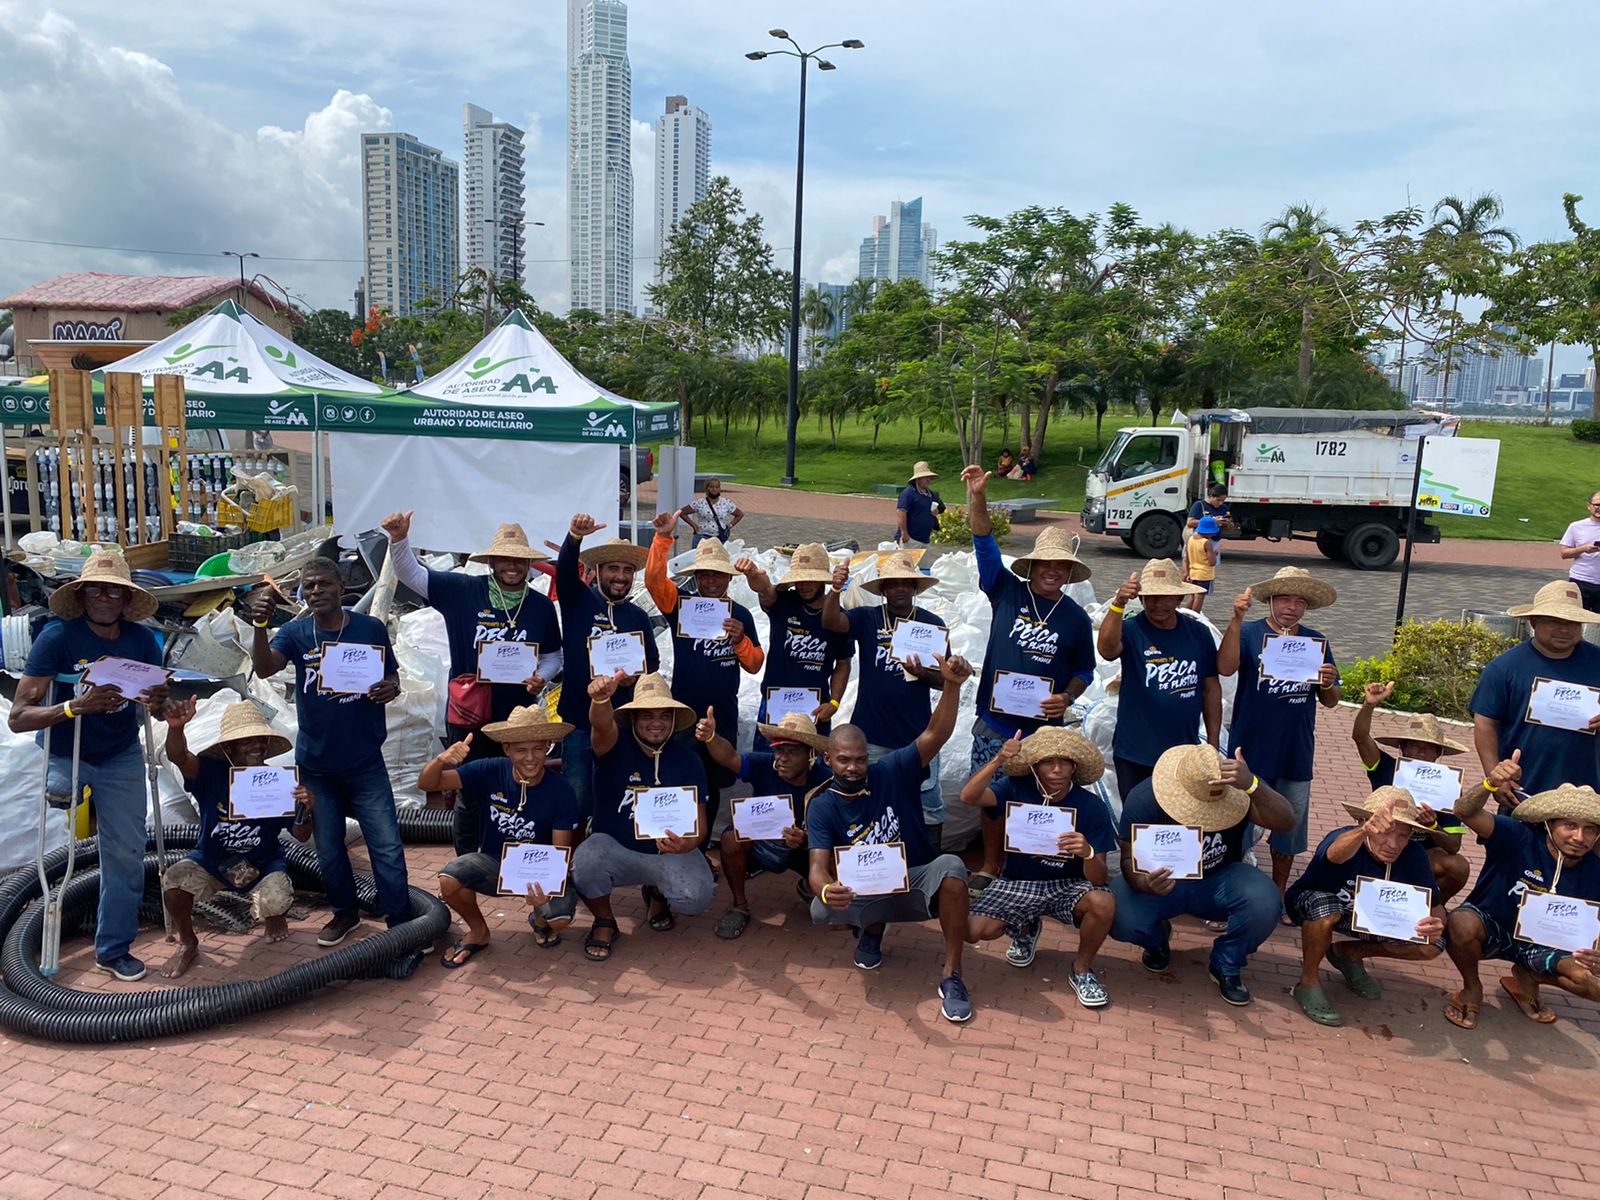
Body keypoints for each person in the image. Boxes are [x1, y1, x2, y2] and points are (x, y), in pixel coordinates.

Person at [10, 551, 171, 982]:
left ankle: (113, 948)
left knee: (127, 852)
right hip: (68, 751)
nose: (105, 597)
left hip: (120, 755)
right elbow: (18, 717)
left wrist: (164, 705)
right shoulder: (57, 637)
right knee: (60, 801)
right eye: (96, 589)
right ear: (81, 596)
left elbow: (154, 703)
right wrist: (73, 708)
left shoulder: (140, 640)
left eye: (114, 590)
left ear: (125, 598)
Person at [246, 557, 410, 946]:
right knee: (329, 848)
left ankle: (403, 923)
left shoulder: (370, 628)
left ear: (340, 587)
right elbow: (266, 668)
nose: (315, 591)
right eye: (308, 586)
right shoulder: (295, 633)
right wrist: (259, 626)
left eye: (323, 583)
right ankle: (345, 915)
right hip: (316, 765)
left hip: (365, 761)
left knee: (385, 844)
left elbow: (391, 675)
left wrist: (392, 688)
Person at [808, 654, 977, 1023]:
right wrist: (826, 890)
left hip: (914, 879)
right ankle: (871, 931)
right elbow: (817, 869)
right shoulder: (822, 806)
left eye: (859, 759)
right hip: (866, 891)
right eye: (844, 760)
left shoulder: (893, 771)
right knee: (820, 907)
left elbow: (936, 734)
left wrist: (950, 684)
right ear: (828, 761)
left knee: (952, 867)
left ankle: (952, 975)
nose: (853, 768)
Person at [382, 512, 562, 855]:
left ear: (529, 565)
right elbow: (412, 575)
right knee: (469, 791)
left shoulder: (540, 606)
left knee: (516, 785)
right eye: (505, 559)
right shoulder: (463, 590)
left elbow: (554, 655)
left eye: (520, 560)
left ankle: (509, 856)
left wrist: (543, 676)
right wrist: (399, 540)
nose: (512, 566)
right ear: (491, 560)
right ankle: (465, 862)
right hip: (469, 715)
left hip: (518, 717)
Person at [962, 466, 1096, 891]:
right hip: (994, 723)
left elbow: (1085, 671)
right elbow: (984, 541)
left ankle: (1028, 873)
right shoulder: (1006, 590)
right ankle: (990, 866)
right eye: (1045, 564)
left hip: (1044, 736)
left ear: (1069, 571)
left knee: (1034, 803)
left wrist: (1068, 698)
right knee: (989, 800)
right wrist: (978, 496)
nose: (1052, 570)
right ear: (1032, 565)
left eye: (1061, 565)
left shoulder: (1074, 618)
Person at [1111, 744, 1295, 1006]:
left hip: (1219, 879)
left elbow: (1286, 821)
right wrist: (1143, 882)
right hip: (1164, 883)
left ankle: (1226, 963)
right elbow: (1128, 858)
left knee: (1265, 902)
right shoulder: (1144, 797)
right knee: (1119, 914)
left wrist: (1253, 784)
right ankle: (1156, 940)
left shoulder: (1239, 786)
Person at [960, 727, 1117, 1007]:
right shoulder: (1014, 787)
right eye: (1048, 762)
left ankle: (1081, 969)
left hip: (1067, 886)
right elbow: (969, 797)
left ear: (1074, 767)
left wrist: (1088, 852)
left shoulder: (1091, 807)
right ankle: (1026, 927)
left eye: (1065, 762)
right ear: (1034, 766)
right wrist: (998, 760)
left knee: (1103, 903)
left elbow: (1099, 877)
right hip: (1019, 881)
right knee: (972, 931)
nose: (1057, 769)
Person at [157, 699, 314, 978]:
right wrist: (176, 729)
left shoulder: (278, 782)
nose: (256, 746)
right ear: (229, 748)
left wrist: (306, 808)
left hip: (263, 864)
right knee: (173, 881)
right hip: (212, 861)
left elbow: (301, 836)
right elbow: (179, 757)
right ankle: (187, 942)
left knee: (276, 899)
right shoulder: (210, 771)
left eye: (260, 739)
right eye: (246, 740)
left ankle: (273, 917)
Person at [1444, 759, 1600, 1029]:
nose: (1579, 837)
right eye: (1570, 826)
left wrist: (1596, 955)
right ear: (1549, 824)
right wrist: (1490, 783)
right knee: (1460, 922)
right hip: (1493, 928)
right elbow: (1464, 811)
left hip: (1544, 945)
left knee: (1595, 983)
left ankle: (1529, 975)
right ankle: (1472, 987)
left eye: (1590, 829)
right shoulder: (1518, 836)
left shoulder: (1595, 870)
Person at [419, 706, 580, 966]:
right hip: (496, 863)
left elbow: (559, 854)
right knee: (450, 880)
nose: (531, 758)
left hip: (539, 868)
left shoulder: (562, 791)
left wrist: (546, 893)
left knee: (559, 918)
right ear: (507, 749)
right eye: (521, 750)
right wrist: (441, 760)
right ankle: (479, 932)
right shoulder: (490, 770)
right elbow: (428, 784)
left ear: (549, 746)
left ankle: (539, 920)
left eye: (538, 749)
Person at [571, 672, 714, 961]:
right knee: (585, 864)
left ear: (674, 719)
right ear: (633, 718)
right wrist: (600, 700)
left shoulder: (689, 759)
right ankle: (604, 921)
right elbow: (600, 726)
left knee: (697, 895)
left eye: (664, 715)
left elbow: (700, 824)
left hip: (666, 854)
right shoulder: (613, 745)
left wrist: (686, 845)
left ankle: (657, 894)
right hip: (615, 849)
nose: (656, 723)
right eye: (647, 715)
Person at [1217, 566, 1340, 894]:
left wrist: (1328, 682)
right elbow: (1225, 667)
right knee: (1236, 823)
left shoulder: (1316, 642)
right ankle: (1229, 892)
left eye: (1299, 601)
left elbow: (1330, 700)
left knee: (1290, 828)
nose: (1291, 606)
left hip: (1295, 751)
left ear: (1307, 607)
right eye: (1284, 598)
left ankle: (1278, 892)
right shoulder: (1250, 633)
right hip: (1251, 748)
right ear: (1270, 601)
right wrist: (1236, 619)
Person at [1283, 788, 1445, 1027]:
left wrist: (1436, 922)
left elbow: (1435, 904)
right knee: (1325, 909)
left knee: (1434, 944)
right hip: (1314, 904)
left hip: (1370, 916)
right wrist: (1364, 831)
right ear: (1363, 821)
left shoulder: (1414, 855)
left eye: (1402, 835)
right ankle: (1308, 983)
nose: (1393, 844)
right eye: (1385, 832)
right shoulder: (1345, 838)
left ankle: (1350, 953)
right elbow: (1335, 855)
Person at [644, 524, 764, 842]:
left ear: (728, 578)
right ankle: (674, 844)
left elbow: (755, 664)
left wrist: (740, 640)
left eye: (717, 575)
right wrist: (662, 539)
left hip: (722, 715)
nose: (711, 581)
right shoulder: (681, 604)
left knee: (711, 784)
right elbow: (654, 582)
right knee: (681, 781)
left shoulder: (740, 614)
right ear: (696, 577)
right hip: (683, 714)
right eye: (705, 575)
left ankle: (699, 847)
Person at [821, 552, 948, 848]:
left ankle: (929, 864)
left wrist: (923, 673)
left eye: (906, 583)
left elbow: (944, 682)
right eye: (893, 584)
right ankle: (877, 866)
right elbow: (831, 621)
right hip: (872, 734)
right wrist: (835, 589)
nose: (900, 589)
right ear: (883, 589)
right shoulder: (867, 618)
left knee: (928, 802)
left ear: (915, 587)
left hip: (918, 734)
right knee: (873, 800)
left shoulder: (931, 624)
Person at [694, 710, 832, 939]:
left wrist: (807, 840)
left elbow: (836, 829)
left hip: (806, 849)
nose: (782, 758)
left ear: (811, 755)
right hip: (764, 844)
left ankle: (811, 885)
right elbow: (729, 757)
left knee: (835, 871)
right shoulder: (765, 764)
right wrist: (711, 737)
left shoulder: (825, 780)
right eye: (779, 750)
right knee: (731, 838)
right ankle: (739, 905)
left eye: (792, 752)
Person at [556, 515, 659, 820]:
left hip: (622, 725)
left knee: (616, 795)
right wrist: (574, 536)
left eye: (627, 570)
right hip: (578, 722)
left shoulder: (638, 616)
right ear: (597, 571)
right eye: (613, 568)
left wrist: (633, 678)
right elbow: (563, 573)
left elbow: (651, 663)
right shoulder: (577, 601)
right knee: (576, 797)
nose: (621, 576)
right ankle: (572, 860)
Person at [1097, 559, 1220, 802]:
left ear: (1178, 598)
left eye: (1166, 596)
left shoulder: (1198, 633)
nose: (1158, 604)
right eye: (1151, 596)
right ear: (1141, 599)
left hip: (1183, 752)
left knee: (1179, 821)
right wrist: (1119, 603)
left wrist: (1212, 744)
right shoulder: (1132, 629)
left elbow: (1210, 689)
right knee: (1137, 825)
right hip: (1135, 752)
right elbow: (1107, 650)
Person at [1470, 580, 1600, 797]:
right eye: (1554, 621)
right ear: (1533, 621)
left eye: (1573, 622)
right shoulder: (1505, 668)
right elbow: (1485, 722)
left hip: (1588, 791)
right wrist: (1495, 777)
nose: (1564, 629)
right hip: (1524, 788)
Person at [1351, 683, 1471, 902]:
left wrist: (1433, 826)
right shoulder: (1385, 767)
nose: (1420, 752)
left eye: (1428, 747)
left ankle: (1429, 907)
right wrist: (1369, 705)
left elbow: (1454, 846)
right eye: (1413, 745)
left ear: (1439, 753)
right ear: (1403, 748)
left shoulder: (1448, 786)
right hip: (1377, 844)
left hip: (1421, 855)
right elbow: (1360, 737)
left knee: (1458, 866)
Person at [735, 544, 854, 751]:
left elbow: (843, 664)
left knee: (813, 770)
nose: (805, 585)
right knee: (767, 767)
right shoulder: (783, 602)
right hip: (774, 705)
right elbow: (764, 589)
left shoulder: (838, 617)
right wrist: (753, 573)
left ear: (822, 581)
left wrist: (834, 703)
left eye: (812, 579)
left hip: (816, 709)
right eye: (800, 579)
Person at [1557, 490, 1600, 612]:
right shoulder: (1576, 527)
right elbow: (1564, 553)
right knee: (1577, 618)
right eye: (1597, 505)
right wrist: (1583, 549)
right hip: (1581, 580)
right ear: (1589, 506)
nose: (1599, 508)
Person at [677, 478, 744, 548]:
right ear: (706, 489)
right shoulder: (700, 503)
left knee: (718, 558)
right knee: (699, 558)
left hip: (719, 537)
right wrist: (694, 525)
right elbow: (682, 512)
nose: (714, 489)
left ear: (720, 489)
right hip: (702, 536)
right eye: (711, 487)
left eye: (717, 487)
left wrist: (729, 526)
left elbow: (739, 514)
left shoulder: (726, 503)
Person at [896, 461, 946, 546]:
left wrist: (936, 511)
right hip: (910, 539)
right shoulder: (908, 493)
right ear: (918, 479)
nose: (928, 480)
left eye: (929, 478)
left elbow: (941, 509)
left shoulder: (930, 494)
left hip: (925, 540)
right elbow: (901, 512)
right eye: (925, 477)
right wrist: (904, 534)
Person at [1183, 517, 1220, 612]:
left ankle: (1185, 614)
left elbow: (1187, 558)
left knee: (1192, 595)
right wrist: (1214, 554)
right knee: (1200, 596)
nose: (1212, 534)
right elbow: (1212, 562)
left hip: (1193, 572)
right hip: (1204, 574)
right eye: (1212, 532)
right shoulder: (1206, 543)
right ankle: (1195, 615)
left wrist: (1187, 572)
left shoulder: (1190, 539)